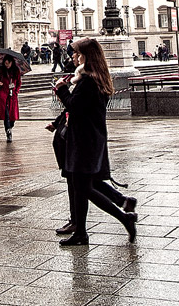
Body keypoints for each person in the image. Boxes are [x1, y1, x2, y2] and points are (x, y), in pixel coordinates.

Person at [53, 37, 137, 247]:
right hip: (87, 138)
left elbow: (75, 107)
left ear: (87, 56)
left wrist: (61, 90)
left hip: (85, 141)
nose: (75, 57)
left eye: (78, 54)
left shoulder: (89, 81)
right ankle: (81, 232)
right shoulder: (93, 78)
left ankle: (124, 217)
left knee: (84, 188)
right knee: (82, 187)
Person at [0, 53, 23, 141]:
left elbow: (19, 82)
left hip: (12, 94)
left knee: (12, 115)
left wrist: (16, 90)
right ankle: (8, 132)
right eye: (5, 63)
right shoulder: (1, 70)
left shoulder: (16, 70)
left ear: (12, 62)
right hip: (3, 93)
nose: (7, 65)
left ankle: (10, 126)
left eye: (8, 63)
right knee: (6, 115)